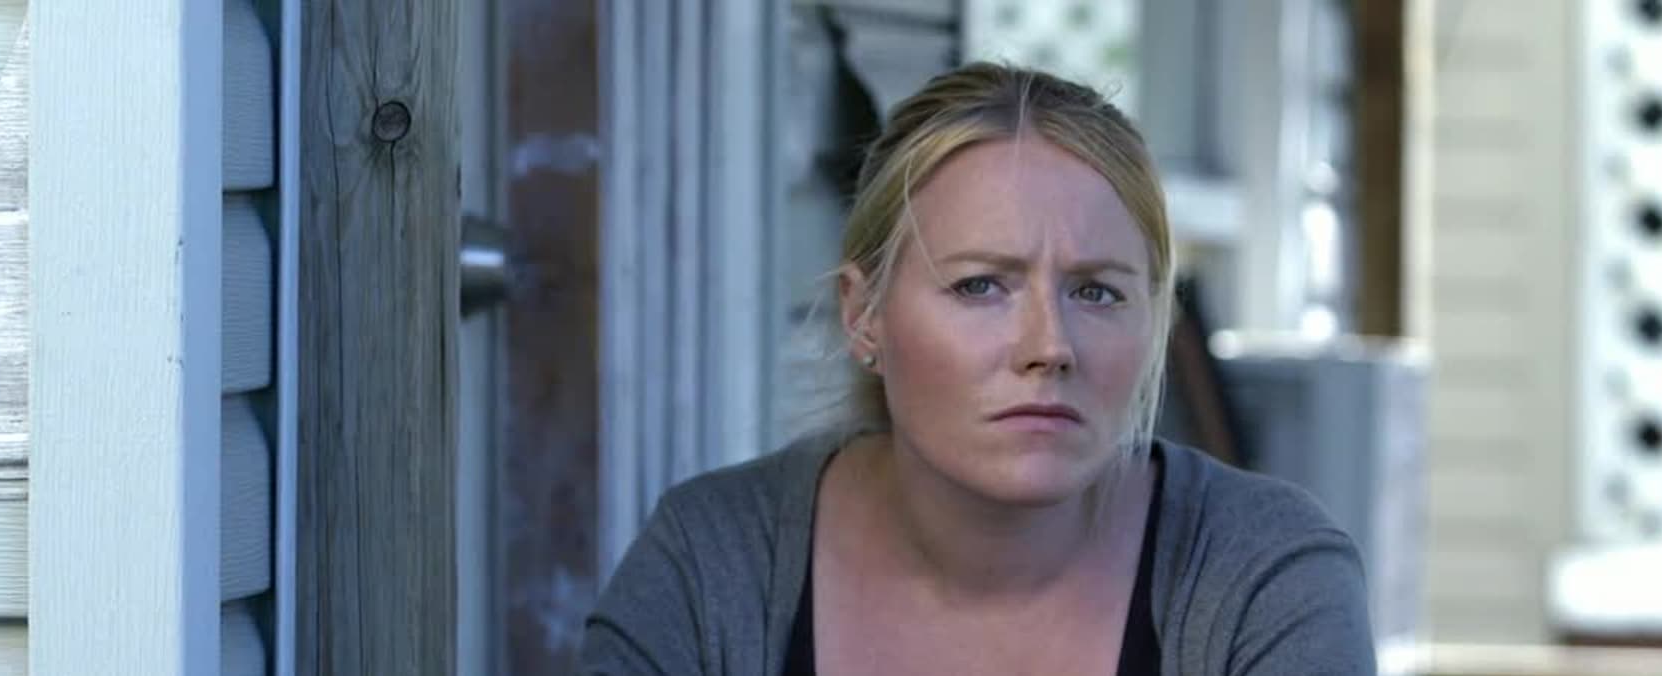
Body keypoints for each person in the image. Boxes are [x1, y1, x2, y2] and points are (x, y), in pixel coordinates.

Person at [580, 62, 1375, 675]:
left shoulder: (1259, 575)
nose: (1049, 346)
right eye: (980, 286)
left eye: (1097, 291)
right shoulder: (714, 563)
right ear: (864, 315)